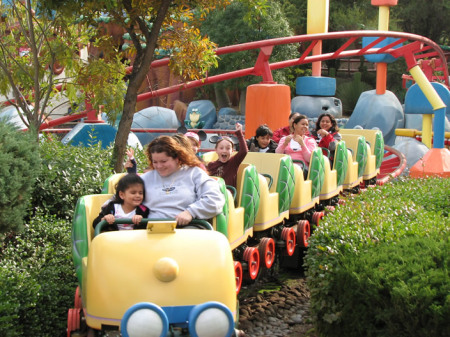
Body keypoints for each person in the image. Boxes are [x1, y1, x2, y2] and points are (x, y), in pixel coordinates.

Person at [141, 136, 225, 226]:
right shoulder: (146, 178)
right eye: (155, 162)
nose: (159, 166)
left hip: (187, 227)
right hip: (152, 228)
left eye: (163, 161)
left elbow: (215, 199)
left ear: (177, 158)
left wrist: (190, 212)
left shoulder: (194, 173)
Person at [207, 123, 248, 187]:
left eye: (228, 148)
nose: (224, 151)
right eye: (221, 148)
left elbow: (244, 151)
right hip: (214, 193)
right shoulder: (211, 165)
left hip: (227, 194)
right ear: (216, 150)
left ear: (232, 151)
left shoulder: (233, 162)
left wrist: (239, 133)